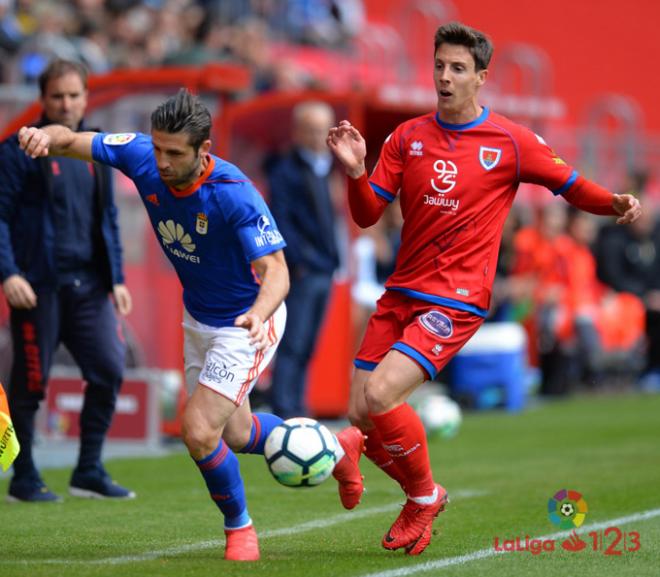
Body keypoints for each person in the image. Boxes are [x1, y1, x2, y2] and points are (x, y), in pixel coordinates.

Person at [326, 21, 642, 556]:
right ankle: (417, 488)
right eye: (439, 66)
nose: (444, 78)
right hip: (402, 290)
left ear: (481, 77)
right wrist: (357, 171)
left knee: (381, 396)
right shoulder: (408, 137)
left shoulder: (511, 141)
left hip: (455, 298)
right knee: (358, 408)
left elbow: (570, 183)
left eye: (457, 69)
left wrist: (613, 201)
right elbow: (365, 216)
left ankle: (422, 497)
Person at [17, 88, 364, 561]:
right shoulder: (140, 154)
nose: (160, 161)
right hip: (199, 317)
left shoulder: (233, 194)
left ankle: (240, 529)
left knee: (198, 430)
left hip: (246, 323)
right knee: (237, 435)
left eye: (174, 153)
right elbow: (71, 140)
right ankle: (340, 451)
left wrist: (258, 316)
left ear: (204, 151)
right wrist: (42, 135)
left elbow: (277, 272)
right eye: (158, 148)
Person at [0, 59, 134, 503]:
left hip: (90, 286)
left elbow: (108, 218)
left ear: (85, 98)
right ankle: (24, 476)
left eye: (74, 95)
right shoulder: (17, 150)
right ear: (43, 99)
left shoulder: (95, 149)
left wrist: (117, 278)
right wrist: (8, 273)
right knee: (31, 383)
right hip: (39, 287)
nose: (66, 103)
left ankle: (89, 469)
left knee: (110, 368)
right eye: (57, 95)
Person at [267, 101, 340, 418]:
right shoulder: (287, 170)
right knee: (294, 342)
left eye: (322, 130)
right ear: (297, 132)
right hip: (305, 270)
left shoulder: (324, 168)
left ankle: (298, 405)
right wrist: (302, 261)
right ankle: (285, 408)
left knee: (308, 342)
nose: (316, 136)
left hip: (324, 268)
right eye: (310, 130)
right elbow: (281, 220)